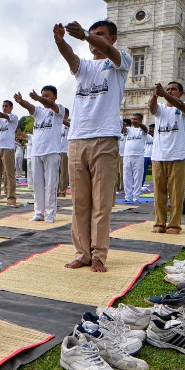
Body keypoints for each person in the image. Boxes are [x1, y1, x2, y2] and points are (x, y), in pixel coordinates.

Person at [54, 19, 130, 273]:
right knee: (80, 203)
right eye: (94, 34)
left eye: (101, 35)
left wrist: (87, 34)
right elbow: (70, 57)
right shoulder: (84, 67)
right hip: (77, 139)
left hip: (105, 139)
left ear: (112, 39)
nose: (95, 40)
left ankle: (99, 254)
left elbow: (106, 51)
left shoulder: (120, 62)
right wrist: (60, 41)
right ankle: (82, 253)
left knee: (101, 203)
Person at [149, 81, 185, 234]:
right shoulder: (161, 108)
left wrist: (165, 94)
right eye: (167, 89)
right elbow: (152, 108)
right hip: (158, 156)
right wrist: (155, 95)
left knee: (176, 193)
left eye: (173, 89)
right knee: (159, 194)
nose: (170, 91)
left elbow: (182, 106)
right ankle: (159, 223)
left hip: (177, 156)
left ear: (180, 93)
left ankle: (174, 225)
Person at [14, 87, 64, 222]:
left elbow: (51, 105)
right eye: (43, 95)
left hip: (52, 151)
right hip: (36, 152)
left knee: (51, 184)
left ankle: (50, 214)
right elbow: (30, 106)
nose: (45, 98)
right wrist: (21, 101)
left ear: (55, 97)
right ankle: (38, 213)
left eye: (48, 95)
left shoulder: (59, 110)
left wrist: (38, 98)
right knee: (37, 185)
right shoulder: (39, 111)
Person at [119, 114, 148, 204]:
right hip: (127, 156)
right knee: (127, 177)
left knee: (137, 177)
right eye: (132, 119)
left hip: (138, 156)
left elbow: (145, 129)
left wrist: (139, 124)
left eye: (135, 119)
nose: (133, 120)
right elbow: (123, 130)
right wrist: (122, 123)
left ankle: (136, 197)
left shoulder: (143, 129)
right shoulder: (129, 129)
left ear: (140, 119)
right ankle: (128, 196)